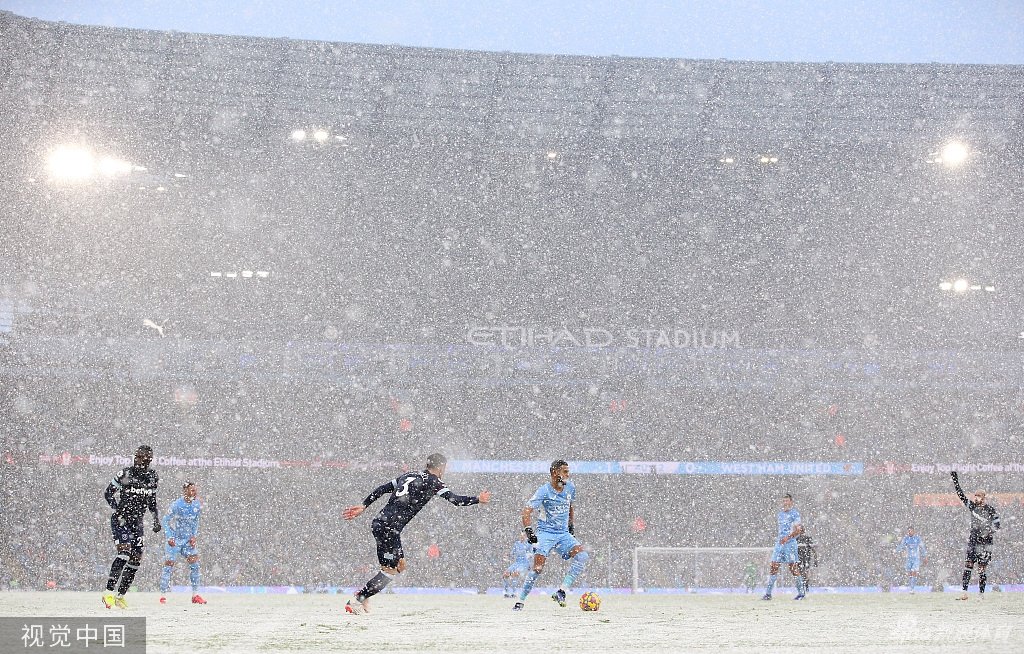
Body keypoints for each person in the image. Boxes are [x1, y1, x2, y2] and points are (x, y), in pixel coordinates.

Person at [342, 453, 490, 614]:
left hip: (380, 523)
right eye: (445, 468)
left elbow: (383, 489)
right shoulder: (434, 482)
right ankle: (358, 599)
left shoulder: (409, 475)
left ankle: (364, 594)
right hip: (389, 528)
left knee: (400, 565)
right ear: (441, 467)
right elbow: (456, 500)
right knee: (390, 571)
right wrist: (477, 499)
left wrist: (364, 505)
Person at [513, 460, 589, 611]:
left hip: (563, 534)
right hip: (545, 534)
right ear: (555, 473)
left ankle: (561, 592)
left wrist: (571, 525)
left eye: (568, 471)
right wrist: (529, 530)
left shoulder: (570, 488)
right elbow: (526, 510)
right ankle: (520, 601)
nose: (568, 475)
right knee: (538, 568)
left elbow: (570, 506)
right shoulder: (543, 491)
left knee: (582, 556)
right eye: (565, 472)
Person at [102, 445, 160, 610]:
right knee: (124, 553)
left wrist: (156, 519)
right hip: (122, 520)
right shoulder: (125, 473)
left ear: (149, 459)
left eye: (144, 457)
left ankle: (120, 596)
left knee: (136, 558)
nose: (139, 460)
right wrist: (117, 510)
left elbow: (152, 501)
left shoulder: (152, 477)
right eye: (138, 456)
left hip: (137, 522)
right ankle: (108, 592)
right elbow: (108, 493)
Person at [952, 472, 1000, 600]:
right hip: (973, 541)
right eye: (975, 496)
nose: (976, 498)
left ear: (983, 497)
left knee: (981, 569)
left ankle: (981, 594)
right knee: (968, 565)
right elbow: (961, 496)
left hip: (985, 543)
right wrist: (956, 482)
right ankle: (964, 593)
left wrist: (987, 533)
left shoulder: (990, 510)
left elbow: (997, 525)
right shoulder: (973, 507)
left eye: (978, 496)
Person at [159, 481, 206, 605]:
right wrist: (169, 536)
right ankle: (163, 596)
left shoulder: (196, 505)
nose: (195, 493)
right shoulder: (176, 505)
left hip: (187, 540)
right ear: (185, 491)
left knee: (195, 565)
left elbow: (195, 522)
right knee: (168, 566)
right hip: (174, 540)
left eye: (195, 490)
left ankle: (195, 595)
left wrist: (193, 536)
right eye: (192, 490)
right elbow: (165, 521)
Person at [762, 493, 806, 600]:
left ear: (791, 502)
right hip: (780, 543)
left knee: (793, 567)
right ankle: (768, 594)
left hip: (790, 544)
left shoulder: (794, 514)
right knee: (773, 566)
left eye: (787, 501)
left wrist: (789, 537)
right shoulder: (780, 514)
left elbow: (799, 530)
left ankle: (801, 593)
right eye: (784, 501)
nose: (785, 503)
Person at [892, 527, 927, 593]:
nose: (909, 532)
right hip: (909, 558)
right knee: (910, 573)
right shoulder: (906, 539)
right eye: (908, 531)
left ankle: (912, 588)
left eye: (911, 531)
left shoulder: (917, 538)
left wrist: (925, 556)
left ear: (913, 531)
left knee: (913, 571)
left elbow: (922, 547)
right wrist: (895, 551)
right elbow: (901, 545)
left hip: (916, 558)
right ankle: (911, 587)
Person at [502, 531, 534, 598]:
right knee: (505, 574)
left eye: (524, 535)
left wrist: (530, 565)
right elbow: (512, 553)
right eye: (521, 535)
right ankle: (506, 592)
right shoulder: (517, 544)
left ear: (526, 537)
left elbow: (532, 555)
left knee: (515, 573)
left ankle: (514, 592)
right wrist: (508, 554)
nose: (522, 537)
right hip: (517, 563)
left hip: (524, 563)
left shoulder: (529, 544)